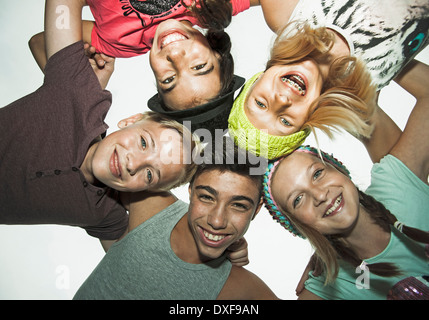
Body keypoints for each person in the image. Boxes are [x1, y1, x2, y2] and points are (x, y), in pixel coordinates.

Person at [0, 0, 199, 246]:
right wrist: (87, 67)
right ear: (131, 121)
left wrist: (216, 251)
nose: (133, 162)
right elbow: (43, 36)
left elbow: (124, 270)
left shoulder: (106, 214)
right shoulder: (81, 95)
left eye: (150, 174)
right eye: (144, 143)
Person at [262, 59, 429, 299]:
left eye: (317, 174)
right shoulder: (329, 287)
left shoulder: (396, 182)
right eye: (298, 199)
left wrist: (382, 55)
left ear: (340, 170)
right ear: (299, 225)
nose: (320, 195)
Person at [73, 137, 278, 300]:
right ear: (190, 191)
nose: (217, 221)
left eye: (238, 206)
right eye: (206, 197)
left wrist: (312, 267)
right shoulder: (150, 205)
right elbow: (84, 159)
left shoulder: (241, 289)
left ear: (257, 209)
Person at [228, 0, 429, 159]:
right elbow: (400, 174)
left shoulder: (285, 13)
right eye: (285, 121)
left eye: (261, 103)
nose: (281, 101)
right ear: (309, 119)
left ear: (257, 80)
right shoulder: (365, 86)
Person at [29, 0, 260, 134]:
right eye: (199, 66)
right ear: (216, 52)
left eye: (169, 79)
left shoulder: (118, 41)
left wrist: (83, 86)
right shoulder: (213, 5)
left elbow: (40, 42)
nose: (176, 56)